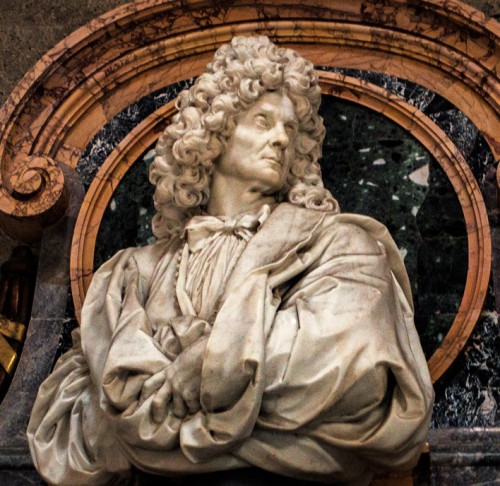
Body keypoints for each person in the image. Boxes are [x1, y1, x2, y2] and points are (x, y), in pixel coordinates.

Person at [27, 36, 434, 486]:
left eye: (290, 129)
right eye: (262, 121)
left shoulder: (342, 247)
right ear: (213, 133)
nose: (281, 138)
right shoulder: (133, 274)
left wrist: (205, 363)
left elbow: (356, 367)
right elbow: (71, 422)